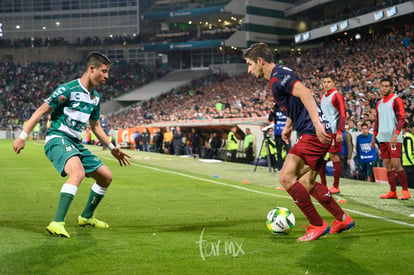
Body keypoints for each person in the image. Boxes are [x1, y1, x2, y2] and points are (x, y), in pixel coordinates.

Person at [12, 51, 131, 238]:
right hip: (58, 138)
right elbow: (41, 110)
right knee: (78, 173)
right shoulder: (67, 89)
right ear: (92, 69)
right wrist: (22, 136)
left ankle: (86, 217)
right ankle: (56, 223)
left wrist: (112, 147)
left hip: (76, 143)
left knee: (106, 177)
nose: (107, 77)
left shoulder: (95, 98)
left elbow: (96, 126)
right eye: (104, 71)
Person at [243, 42, 354, 241]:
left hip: (313, 132)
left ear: (260, 61)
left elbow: (305, 94)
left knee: (286, 177)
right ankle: (342, 218)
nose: (249, 70)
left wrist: (317, 125)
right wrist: (288, 125)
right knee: (306, 182)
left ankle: (317, 224)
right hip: (313, 130)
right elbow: (296, 102)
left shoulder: (278, 77)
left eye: (250, 64)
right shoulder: (280, 74)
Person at [371, 77, 410, 200]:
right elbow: (377, 121)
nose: (384, 88)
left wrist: (395, 135)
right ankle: (392, 191)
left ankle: (405, 191)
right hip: (382, 138)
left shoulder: (396, 100)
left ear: (391, 87)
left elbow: (401, 118)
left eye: (386, 86)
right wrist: (374, 136)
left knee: (396, 164)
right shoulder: (379, 103)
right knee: (388, 166)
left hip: (393, 138)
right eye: (382, 86)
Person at [319, 74, 347, 194]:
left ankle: (336, 186)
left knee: (334, 156)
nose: (326, 84)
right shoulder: (323, 97)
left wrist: (340, 131)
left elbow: (343, 114)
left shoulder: (337, 96)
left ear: (334, 83)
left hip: (334, 132)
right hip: (324, 131)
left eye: (328, 82)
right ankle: (323, 184)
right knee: (320, 157)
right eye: (324, 82)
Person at [402, 122, 414, 189]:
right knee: (411, 185)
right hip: (409, 165)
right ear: (410, 129)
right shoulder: (408, 138)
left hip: (410, 164)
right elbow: (408, 153)